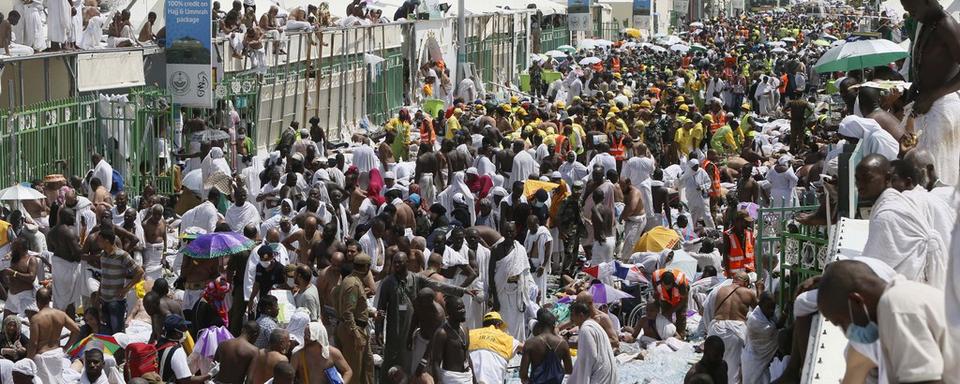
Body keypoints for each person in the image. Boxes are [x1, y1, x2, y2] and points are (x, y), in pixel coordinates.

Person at [818, 259, 958, 382]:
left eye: (842, 323)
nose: (846, 332)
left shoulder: (897, 308)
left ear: (856, 301)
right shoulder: (896, 301)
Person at [376, 251, 471, 382]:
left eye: (400, 262)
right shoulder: (388, 283)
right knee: (390, 361)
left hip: (412, 328)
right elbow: (381, 309)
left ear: (407, 263)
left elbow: (438, 285)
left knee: (408, 363)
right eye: (395, 262)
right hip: (394, 329)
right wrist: (378, 329)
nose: (396, 265)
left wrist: (462, 290)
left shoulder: (416, 279)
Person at [857, 154, 947, 287]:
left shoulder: (887, 215)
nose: (860, 185)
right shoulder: (895, 201)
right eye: (857, 179)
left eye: (867, 179)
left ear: (887, 178)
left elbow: (871, 270)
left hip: (910, 292)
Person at [904, 0, 960, 186]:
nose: (911, 14)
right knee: (924, 173)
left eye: (912, 9)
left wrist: (933, 95)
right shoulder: (926, 23)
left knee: (939, 174)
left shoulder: (947, 26)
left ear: (927, 2)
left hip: (942, 108)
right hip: (927, 105)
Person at [708, 272, 759, 384]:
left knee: (714, 365)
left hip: (716, 328)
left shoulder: (720, 290)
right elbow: (760, 311)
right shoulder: (749, 292)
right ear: (746, 283)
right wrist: (760, 290)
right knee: (733, 371)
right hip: (735, 332)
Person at [487, 221, 532, 341]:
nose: (509, 234)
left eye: (511, 231)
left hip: (517, 293)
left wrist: (524, 297)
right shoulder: (496, 250)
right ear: (502, 232)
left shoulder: (520, 250)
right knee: (502, 320)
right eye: (506, 231)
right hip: (501, 291)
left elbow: (525, 274)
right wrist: (495, 298)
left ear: (516, 232)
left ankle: (517, 345)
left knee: (517, 321)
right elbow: (491, 275)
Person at [333, 253, 374, 384]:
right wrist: (356, 335)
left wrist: (371, 314)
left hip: (358, 328)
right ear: (366, 268)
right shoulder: (353, 284)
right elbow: (348, 312)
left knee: (367, 365)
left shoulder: (352, 280)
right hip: (352, 331)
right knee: (354, 371)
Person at [26, 287, 80, 384]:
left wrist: (28, 360)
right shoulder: (61, 314)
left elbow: (33, 343)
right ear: (50, 299)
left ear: (37, 301)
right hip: (57, 353)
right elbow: (76, 330)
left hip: (42, 356)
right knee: (57, 381)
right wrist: (66, 347)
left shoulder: (36, 319)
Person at [97, 229, 143, 334]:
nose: (97, 243)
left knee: (117, 333)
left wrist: (126, 289)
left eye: (100, 240)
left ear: (107, 241)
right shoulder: (103, 255)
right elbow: (104, 276)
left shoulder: (123, 255)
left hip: (116, 301)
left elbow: (139, 272)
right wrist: (98, 296)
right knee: (107, 331)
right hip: (104, 299)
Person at [519, 309, 572, 384]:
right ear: (554, 326)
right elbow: (569, 370)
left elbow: (523, 375)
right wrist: (555, 369)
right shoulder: (563, 343)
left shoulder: (530, 344)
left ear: (539, 325)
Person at [567, 302, 616, 384]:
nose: (571, 319)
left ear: (581, 315)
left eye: (573, 315)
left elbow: (590, 356)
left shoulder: (586, 329)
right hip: (608, 372)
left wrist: (582, 377)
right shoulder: (594, 325)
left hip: (600, 375)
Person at [429, 296, 474, 384]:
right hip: (451, 378)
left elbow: (468, 357)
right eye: (459, 308)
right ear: (449, 312)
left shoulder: (465, 329)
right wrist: (439, 382)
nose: (463, 311)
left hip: (467, 377)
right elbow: (435, 363)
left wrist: (474, 380)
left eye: (463, 307)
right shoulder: (442, 333)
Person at [468, 312, 521, 384]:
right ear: (498, 325)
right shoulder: (504, 337)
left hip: (471, 380)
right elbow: (525, 347)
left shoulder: (470, 334)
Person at [158, 314, 213, 383]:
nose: (186, 332)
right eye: (184, 329)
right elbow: (186, 380)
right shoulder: (177, 351)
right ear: (177, 333)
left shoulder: (160, 342)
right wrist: (210, 374)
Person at [742, 293, 778, 384]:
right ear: (760, 306)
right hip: (753, 360)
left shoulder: (768, 316)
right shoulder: (754, 320)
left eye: (773, 307)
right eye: (768, 307)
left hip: (763, 362)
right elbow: (771, 330)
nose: (771, 311)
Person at [2, 238, 38, 318]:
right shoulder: (12, 258)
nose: (11, 248)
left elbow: (32, 277)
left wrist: (14, 273)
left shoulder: (31, 259)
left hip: (26, 297)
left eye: (13, 246)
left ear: (20, 247)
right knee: (6, 322)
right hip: (12, 296)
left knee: (33, 322)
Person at [652, 268, 690, 339]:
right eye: (664, 286)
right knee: (665, 316)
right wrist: (656, 306)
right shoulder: (655, 277)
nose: (666, 288)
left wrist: (671, 311)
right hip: (665, 298)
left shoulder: (680, 284)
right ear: (661, 282)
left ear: (673, 283)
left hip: (680, 298)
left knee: (681, 316)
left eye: (668, 287)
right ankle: (667, 335)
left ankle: (681, 336)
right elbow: (656, 293)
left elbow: (683, 301)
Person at [679, 158, 715, 228]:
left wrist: (702, 187)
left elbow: (708, 182)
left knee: (707, 215)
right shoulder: (687, 174)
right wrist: (679, 178)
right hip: (692, 198)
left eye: (697, 166)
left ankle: (712, 230)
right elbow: (680, 183)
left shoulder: (701, 171)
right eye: (694, 167)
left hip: (701, 198)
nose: (696, 168)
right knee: (692, 216)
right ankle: (691, 231)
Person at [721, 210, 756, 278]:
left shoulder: (749, 232)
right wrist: (728, 273)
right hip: (736, 274)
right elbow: (725, 254)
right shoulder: (728, 235)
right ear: (738, 221)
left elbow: (753, 253)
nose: (747, 223)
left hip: (749, 272)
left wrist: (756, 269)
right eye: (745, 221)